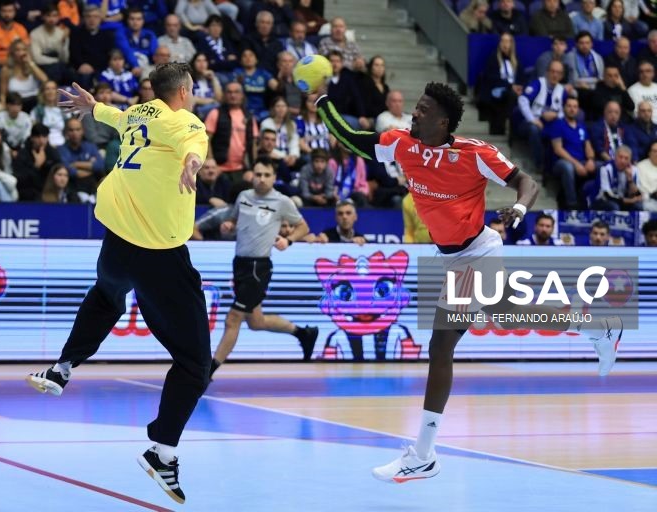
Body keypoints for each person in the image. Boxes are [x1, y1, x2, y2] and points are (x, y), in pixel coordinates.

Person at [314, 80, 623, 483]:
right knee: (505, 315)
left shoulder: (474, 153)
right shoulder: (400, 143)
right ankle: (596, 325)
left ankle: (423, 454)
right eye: (416, 106)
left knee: (442, 344)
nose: (414, 113)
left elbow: (527, 181)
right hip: (451, 257)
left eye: (423, 109)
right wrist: (323, 103)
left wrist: (517, 207)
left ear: (443, 121)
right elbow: (354, 139)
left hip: (477, 249)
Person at [26, 64, 211, 505]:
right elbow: (193, 140)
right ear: (184, 91)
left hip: (116, 242)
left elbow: (113, 116)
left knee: (106, 297)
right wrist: (192, 161)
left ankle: (62, 367)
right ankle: (162, 452)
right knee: (195, 364)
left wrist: (93, 107)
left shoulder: (138, 114)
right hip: (157, 254)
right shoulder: (182, 119)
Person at [210, 157, 319, 376]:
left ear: (274, 178)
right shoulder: (244, 196)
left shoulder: (282, 202)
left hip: (258, 268)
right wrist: (228, 226)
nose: (261, 179)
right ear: (252, 175)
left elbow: (303, 226)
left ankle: (207, 371)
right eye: (258, 174)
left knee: (233, 318)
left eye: (266, 175)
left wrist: (288, 241)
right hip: (239, 265)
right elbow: (233, 222)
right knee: (256, 322)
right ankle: (303, 333)